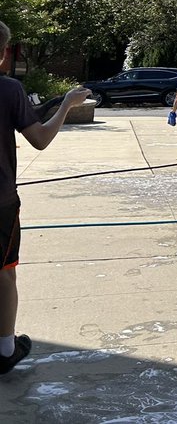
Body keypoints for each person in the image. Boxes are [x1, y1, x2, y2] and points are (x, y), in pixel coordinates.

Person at [0, 19, 93, 374]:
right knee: (4, 273)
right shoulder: (8, 90)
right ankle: (5, 351)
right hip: (0, 202)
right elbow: (39, 138)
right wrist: (67, 104)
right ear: (5, 52)